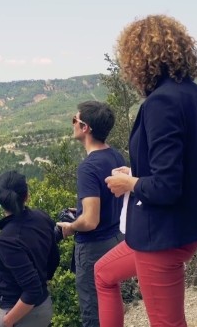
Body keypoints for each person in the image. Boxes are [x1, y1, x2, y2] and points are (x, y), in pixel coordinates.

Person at [97, 14, 197, 327]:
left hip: (161, 235)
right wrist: (137, 172)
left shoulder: (160, 102)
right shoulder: (196, 95)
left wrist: (130, 183)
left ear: (137, 60)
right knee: (103, 272)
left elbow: (166, 187)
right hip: (185, 229)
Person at [56, 100, 126, 327]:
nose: (73, 124)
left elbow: (90, 221)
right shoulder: (115, 156)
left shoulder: (88, 167)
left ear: (85, 127)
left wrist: (71, 225)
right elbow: (111, 200)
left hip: (93, 247)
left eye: (74, 120)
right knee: (110, 301)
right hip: (115, 239)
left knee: (93, 311)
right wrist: (82, 210)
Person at [0, 170, 60, 327]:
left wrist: (7, 321)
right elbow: (53, 259)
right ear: (26, 195)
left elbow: (32, 290)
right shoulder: (41, 217)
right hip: (43, 306)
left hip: (20, 313)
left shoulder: (7, 240)